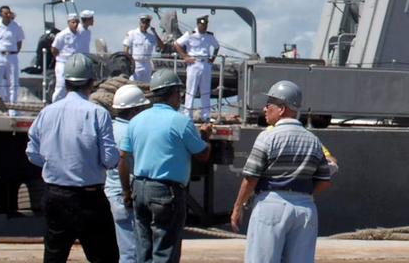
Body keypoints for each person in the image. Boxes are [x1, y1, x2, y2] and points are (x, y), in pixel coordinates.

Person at [25, 54, 121, 263]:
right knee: (105, 257)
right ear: (92, 83)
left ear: (65, 82)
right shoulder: (98, 113)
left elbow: (33, 153)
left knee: (54, 256)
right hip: (90, 197)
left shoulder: (47, 112)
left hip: (56, 194)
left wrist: (56, 164)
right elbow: (109, 159)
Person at [231, 81, 331, 263]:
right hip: (305, 209)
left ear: (282, 108)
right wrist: (303, 195)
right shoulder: (314, 140)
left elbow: (251, 177)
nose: (264, 109)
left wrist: (238, 207)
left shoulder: (267, 137)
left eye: (268, 105)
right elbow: (324, 180)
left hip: (272, 205)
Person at [120, 68, 212, 263]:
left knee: (143, 249)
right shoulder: (181, 122)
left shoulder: (135, 121)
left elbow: (123, 157)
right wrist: (205, 137)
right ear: (172, 94)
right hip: (165, 192)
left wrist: (127, 191)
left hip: (139, 188)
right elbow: (202, 155)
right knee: (165, 252)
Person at [107, 85, 150, 263]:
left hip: (111, 192)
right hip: (128, 195)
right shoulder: (134, 131)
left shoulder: (110, 128)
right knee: (134, 252)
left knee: (125, 249)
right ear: (135, 110)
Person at [173, 14, 219, 122]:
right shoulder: (190, 34)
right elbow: (177, 44)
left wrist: (213, 58)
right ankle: (187, 114)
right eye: (202, 24)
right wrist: (185, 57)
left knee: (205, 90)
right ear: (198, 23)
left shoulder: (209, 36)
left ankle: (206, 115)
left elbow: (217, 47)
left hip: (205, 64)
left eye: (206, 24)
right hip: (194, 64)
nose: (204, 26)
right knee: (191, 90)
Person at [0, 5, 25, 116]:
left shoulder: (16, 26)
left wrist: (13, 52)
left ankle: (13, 109)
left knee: (13, 83)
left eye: (9, 13)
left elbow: (19, 42)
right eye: (6, 13)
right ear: (1, 14)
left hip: (12, 56)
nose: (8, 15)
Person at [122, 13, 164, 84]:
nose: (144, 26)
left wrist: (155, 33)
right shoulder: (132, 33)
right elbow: (126, 48)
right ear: (140, 23)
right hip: (136, 63)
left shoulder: (151, 37)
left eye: (146, 24)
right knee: (133, 83)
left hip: (147, 63)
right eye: (143, 23)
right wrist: (127, 61)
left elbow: (161, 46)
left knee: (146, 85)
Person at [50, 13, 82, 101]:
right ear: (69, 23)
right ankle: (55, 104)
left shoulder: (79, 35)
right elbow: (54, 49)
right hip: (63, 63)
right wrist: (60, 58)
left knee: (73, 86)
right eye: (73, 22)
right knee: (61, 85)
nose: (75, 24)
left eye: (77, 22)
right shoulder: (62, 34)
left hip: (74, 63)